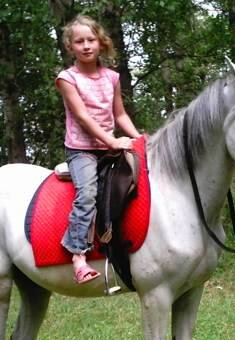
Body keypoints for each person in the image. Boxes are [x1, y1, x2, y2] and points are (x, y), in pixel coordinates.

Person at [55, 15, 141, 284]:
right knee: (88, 192)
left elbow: (120, 115)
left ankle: (126, 245)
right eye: (79, 41)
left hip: (109, 147)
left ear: (100, 43)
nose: (86, 45)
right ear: (71, 47)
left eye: (91, 40)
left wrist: (139, 138)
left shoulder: (111, 78)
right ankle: (78, 255)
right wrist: (113, 141)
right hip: (82, 150)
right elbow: (82, 117)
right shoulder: (67, 79)